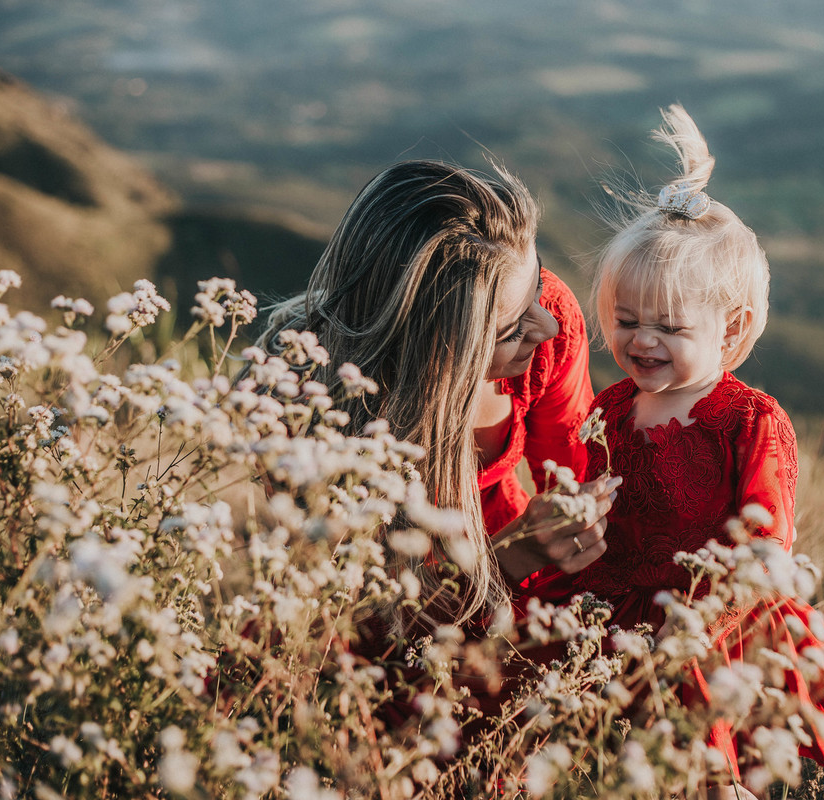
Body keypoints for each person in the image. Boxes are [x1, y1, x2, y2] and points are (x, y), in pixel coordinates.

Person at [566, 105, 824, 792]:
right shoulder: (611, 407)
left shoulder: (748, 420)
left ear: (733, 327)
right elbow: (590, 501)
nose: (642, 341)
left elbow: (767, 542)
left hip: (715, 624)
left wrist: (692, 630)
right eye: (626, 320)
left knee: (707, 768)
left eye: (668, 325)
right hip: (620, 606)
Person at [256, 158, 620, 636]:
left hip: (525, 597)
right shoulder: (305, 413)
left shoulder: (549, 321)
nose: (548, 325)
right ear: (434, 349)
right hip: (402, 632)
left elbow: (579, 481)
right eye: (511, 328)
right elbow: (352, 623)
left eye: (536, 285)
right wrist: (512, 554)